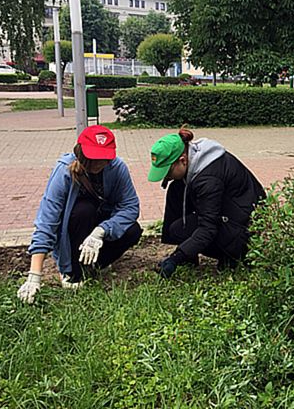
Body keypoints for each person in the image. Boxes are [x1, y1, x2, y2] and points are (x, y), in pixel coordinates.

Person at [17, 126, 142, 303]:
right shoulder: (64, 170)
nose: (99, 162)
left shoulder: (117, 168)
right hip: (74, 227)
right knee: (85, 210)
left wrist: (101, 231)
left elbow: (130, 206)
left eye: (104, 157)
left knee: (132, 230)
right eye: (94, 156)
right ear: (81, 153)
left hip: (98, 229)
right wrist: (34, 276)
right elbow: (47, 220)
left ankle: (94, 265)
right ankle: (71, 270)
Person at [148, 128, 266, 278]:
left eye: (168, 172)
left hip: (245, 232)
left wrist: (176, 258)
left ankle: (232, 257)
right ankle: (190, 256)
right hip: (233, 213)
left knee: (180, 229)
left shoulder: (208, 180)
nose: (167, 177)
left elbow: (208, 227)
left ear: (183, 160)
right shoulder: (196, 157)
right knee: (177, 188)